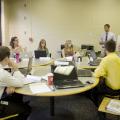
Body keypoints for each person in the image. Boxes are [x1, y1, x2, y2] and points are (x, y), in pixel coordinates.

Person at [0, 46, 31, 119]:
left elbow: (5, 80)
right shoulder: (2, 73)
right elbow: (21, 83)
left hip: (2, 95)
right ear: (7, 58)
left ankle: (19, 104)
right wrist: (16, 69)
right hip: (1, 104)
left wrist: (9, 84)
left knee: (15, 96)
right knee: (26, 109)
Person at [93, 40, 120, 106]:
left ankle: (97, 108)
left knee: (93, 89)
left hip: (112, 90)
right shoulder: (118, 58)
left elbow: (97, 74)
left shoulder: (106, 59)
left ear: (105, 49)